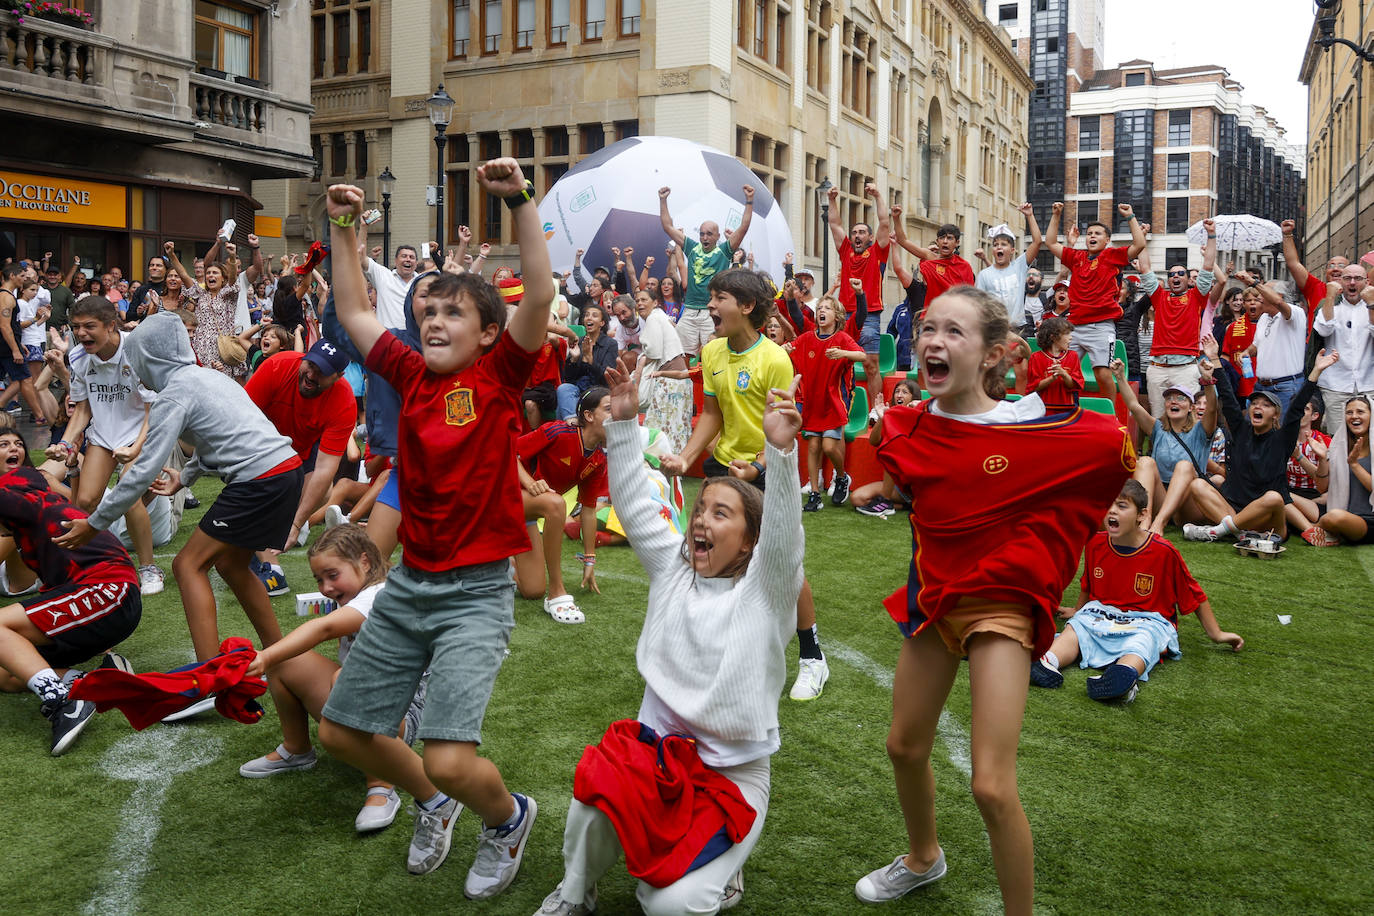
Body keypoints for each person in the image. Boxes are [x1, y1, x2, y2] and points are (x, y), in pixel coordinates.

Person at [860, 286, 1132, 912]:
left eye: (954, 331)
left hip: (1003, 607)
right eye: (929, 328)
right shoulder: (906, 426)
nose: (934, 341)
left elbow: (1121, 456)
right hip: (935, 599)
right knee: (903, 746)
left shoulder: (1041, 426)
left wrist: (1056, 541)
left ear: (993, 354)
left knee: (991, 785)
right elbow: (904, 483)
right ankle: (923, 858)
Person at [314, 161, 546, 896]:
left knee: (448, 756)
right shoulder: (411, 373)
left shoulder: (499, 377)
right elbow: (352, 310)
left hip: (475, 593)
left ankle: (507, 821)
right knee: (340, 732)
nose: (435, 321)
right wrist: (343, 225)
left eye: (453, 313)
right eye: (427, 311)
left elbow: (540, 293)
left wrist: (519, 199)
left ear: (487, 332)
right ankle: (434, 804)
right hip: (410, 585)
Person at [534, 352, 804, 916]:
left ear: (749, 542)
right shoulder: (674, 569)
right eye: (701, 509)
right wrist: (623, 424)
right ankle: (575, 891)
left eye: (722, 514)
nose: (701, 519)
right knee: (590, 806)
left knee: (668, 906)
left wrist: (781, 456)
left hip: (731, 777)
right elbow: (635, 505)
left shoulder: (765, 591)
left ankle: (720, 867)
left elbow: (783, 537)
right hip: (654, 755)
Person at [54, 311, 304, 695]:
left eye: (137, 361)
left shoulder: (174, 393)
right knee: (232, 565)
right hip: (286, 471)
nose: (136, 372)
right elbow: (219, 436)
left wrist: (95, 523)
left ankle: (209, 679)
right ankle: (281, 657)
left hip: (258, 480)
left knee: (188, 565)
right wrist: (184, 478)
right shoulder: (208, 377)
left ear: (149, 358)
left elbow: (141, 471)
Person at [659, 268, 831, 702]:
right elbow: (712, 414)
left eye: (720, 298)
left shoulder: (775, 359)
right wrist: (686, 457)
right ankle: (714, 653)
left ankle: (812, 657)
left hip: (767, 471)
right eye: (711, 297)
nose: (710, 305)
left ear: (748, 306)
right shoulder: (712, 351)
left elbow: (782, 428)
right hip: (723, 470)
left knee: (784, 565)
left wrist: (757, 467)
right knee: (710, 559)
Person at [240, 524, 422, 834]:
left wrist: (264, 657)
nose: (325, 588)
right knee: (286, 659)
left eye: (333, 575)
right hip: (365, 704)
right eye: (319, 579)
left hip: (404, 715)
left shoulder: (381, 594)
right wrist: (272, 657)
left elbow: (323, 628)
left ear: (365, 562)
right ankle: (297, 749)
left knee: (342, 677)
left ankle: (382, 784)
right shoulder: (360, 594)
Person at [1032, 480, 1243, 704]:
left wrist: (1217, 634)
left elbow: (1193, 594)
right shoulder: (1095, 543)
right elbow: (1089, 583)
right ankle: (1047, 661)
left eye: (1122, 506)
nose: (1112, 511)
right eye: (1108, 505)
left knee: (1144, 641)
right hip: (1100, 613)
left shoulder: (1163, 551)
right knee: (1076, 628)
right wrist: (1078, 609)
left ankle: (1123, 675)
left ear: (1141, 515)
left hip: (1147, 620)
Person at [0, 427, 141, 755]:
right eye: (3, 444)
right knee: (7, 673)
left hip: (109, 589)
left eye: (17, 443)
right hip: (99, 602)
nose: (13, 448)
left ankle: (62, 701)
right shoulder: (28, 522)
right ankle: (99, 681)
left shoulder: (20, 487)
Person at [45, 297, 163, 595]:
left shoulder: (136, 349)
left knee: (127, 495)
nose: (81, 333)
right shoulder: (78, 356)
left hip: (142, 432)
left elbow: (152, 411)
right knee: (84, 502)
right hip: (103, 435)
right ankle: (89, 565)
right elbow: (82, 409)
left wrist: (135, 448)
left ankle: (149, 569)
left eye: (89, 326)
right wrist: (64, 443)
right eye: (76, 327)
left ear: (111, 326)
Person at [1183, 349, 1339, 542]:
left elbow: (1297, 407)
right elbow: (1228, 397)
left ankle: (1216, 532)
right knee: (1198, 485)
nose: (1258, 406)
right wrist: (1215, 359)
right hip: (1234, 511)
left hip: (1268, 520)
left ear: (1275, 414)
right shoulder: (1240, 430)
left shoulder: (1282, 439)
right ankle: (1241, 534)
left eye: (1266, 405)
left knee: (1274, 497)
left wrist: (1316, 371)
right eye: (1254, 403)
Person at [243, 338, 357, 594]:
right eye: (311, 365)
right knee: (265, 492)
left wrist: (295, 526)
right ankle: (271, 567)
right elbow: (240, 418)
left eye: (322, 372)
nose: (311, 375)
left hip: (298, 455)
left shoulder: (344, 401)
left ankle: (265, 546)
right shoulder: (277, 367)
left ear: (338, 376)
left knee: (324, 492)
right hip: (257, 446)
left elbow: (326, 469)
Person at [514, 388, 610, 624]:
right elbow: (507, 452)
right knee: (556, 504)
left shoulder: (598, 459)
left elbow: (588, 509)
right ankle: (556, 592)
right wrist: (529, 482)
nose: (616, 416)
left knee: (533, 590)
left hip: (524, 512)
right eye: (609, 409)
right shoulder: (558, 431)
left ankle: (500, 560)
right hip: (500, 496)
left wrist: (589, 558)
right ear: (589, 416)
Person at [1043, 202, 1148, 405]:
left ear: (1107, 240)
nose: (1092, 236)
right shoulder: (1077, 257)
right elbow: (1051, 243)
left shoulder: (1112, 255)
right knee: (1062, 370)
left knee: (1101, 372)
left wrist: (1130, 216)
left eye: (1098, 233)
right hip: (1073, 327)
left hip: (1100, 326)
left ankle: (1109, 414)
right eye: (1089, 233)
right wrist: (1055, 215)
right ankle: (1064, 408)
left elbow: (1139, 245)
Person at [1115, 336, 1221, 534]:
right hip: (1161, 497)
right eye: (1169, 398)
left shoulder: (1200, 430)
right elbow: (1133, 406)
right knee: (1145, 461)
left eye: (1181, 398)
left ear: (1191, 407)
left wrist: (1207, 381)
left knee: (1184, 466)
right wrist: (1120, 377)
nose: (1174, 401)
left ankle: (1159, 524)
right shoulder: (1158, 428)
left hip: (1188, 504)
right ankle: (1145, 520)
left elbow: (1212, 409)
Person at [659, 184, 755, 356]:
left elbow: (743, 227)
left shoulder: (724, 251)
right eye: (702, 234)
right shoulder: (692, 248)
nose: (705, 237)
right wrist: (663, 200)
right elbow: (667, 227)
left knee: (712, 354)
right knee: (683, 355)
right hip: (689, 311)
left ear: (717, 236)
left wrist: (749, 201)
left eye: (709, 234)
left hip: (712, 311)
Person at [1137, 220, 1222, 410]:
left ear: (1188, 279)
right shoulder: (1159, 296)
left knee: (1187, 418)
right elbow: (1145, 268)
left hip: (1186, 369)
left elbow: (1208, 266)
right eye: (1171, 274)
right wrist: (1141, 238)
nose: (1175, 276)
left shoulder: (1196, 296)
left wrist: (1211, 235)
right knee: (1158, 417)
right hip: (1157, 368)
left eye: (1181, 273)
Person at [793, 286, 864, 512]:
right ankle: (815, 494)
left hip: (834, 402)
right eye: (819, 308)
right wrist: (783, 348)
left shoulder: (842, 338)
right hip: (813, 402)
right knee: (813, 446)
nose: (821, 311)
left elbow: (862, 355)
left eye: (827, 308)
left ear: (838, 316)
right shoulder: (806, 338)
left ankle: (841, 477)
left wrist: (843, 353)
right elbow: (790, 348)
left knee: (829, 446)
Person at [826, 184, 893, 417]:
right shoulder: (845, 251)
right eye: (854, 232)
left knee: (871, 365)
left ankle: (876, 410)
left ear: (870, 237)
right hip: (843, 317)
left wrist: (878, 195)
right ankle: (834, 407)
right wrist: (831, 199)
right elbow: (834, 224)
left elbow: (884, 223)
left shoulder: (878, 251)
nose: (856, 236)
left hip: (870, 317)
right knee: (834, 363)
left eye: (862, 232)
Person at [1302, 394, 1374, 546]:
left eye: (1360, 412)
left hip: (1368, 520)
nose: (1354, 416)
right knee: (1284, 498)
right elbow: (1322, 488)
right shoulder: (1338, 447)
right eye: (1349, 412)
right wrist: (1323, 458)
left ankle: (1313, 529)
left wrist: (1354, 464)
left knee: (1334, 517)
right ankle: (1326, 532)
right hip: (1342, 511)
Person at [1311, 265, 1374, 436]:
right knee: (1338, 437)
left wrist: (1371, 304)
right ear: (1340, 282)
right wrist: (1330, 296)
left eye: (1358, 278)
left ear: (1367, 282)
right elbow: (1324, 330)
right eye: (1347, 278)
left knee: (1370, 437)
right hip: (1336, 385)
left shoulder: (1371, 305)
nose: (1352, 283)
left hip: (1369, 383)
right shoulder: (1330, 305)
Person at [1237, 268, 1307, 415]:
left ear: (1278, 295)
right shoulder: (1263, 317)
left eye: (1262, 293)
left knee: (1282, 428)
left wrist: (1252, 282)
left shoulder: (1295, 313)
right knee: (1254, 426)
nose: (1258, 298)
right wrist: (1246, 352)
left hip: (1286, 387)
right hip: (1261, 386)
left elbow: (1278, 302)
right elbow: (1257, 345)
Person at [851, 379, 919, 517]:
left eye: (905, 392)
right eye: (897, 391)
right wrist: (883, 418)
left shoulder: (920, 418)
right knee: (857, 498)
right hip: (895, 486)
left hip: (915, 484)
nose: (899, 395)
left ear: (914, 398)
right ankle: (904, 505)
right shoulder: (891, 415)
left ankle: (889, 502)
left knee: (892, 451)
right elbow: (874, 441)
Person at [633, 289, 692, 450]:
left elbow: (653, 351)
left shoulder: (654, 318)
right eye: (637, 301)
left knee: (662, 430)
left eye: (644, 300)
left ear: (655, 302)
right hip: (678, 379)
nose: (640, 303)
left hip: (670, 381)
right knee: (676, 429)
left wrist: (640, 361)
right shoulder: (661, 316)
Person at [973, 205, 1044, 329]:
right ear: (993, 250)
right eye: (996, 245)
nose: (999, 247)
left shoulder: (1019, 266)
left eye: (1003, 244)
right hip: (994, 329)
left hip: (1018, 328)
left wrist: (1029, 215)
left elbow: (1037, 242)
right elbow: (978, 304)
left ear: (1012, 250)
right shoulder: (984, 274)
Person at [0, 263, 48, 425]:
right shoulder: (6, 297)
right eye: (22, 276)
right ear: (12, 276)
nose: (24, 279)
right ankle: (39, 416)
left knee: (22, 379)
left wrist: (19, 345)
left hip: (8, 344)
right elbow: (4, 326)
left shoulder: (7, 296)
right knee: (26, 379)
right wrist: (15, 349)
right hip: (6, 347)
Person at [556, 302, 618, 421]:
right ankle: (573, 423)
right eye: (587, 315)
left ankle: (571, 426)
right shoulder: (578, 342)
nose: (589, 318)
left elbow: (607, 378)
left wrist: (590, 360)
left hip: (599, 389)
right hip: (579, 389)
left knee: (561, 407)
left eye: (594, 315)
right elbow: (568, 378)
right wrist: (574, 359)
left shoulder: (610, 344)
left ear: (602, 323)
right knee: (564, 389)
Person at [1286, 395, 1330, 532]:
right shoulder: (1281, 439)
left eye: (1305, 408)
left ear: (1314, 416)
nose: (1299, 411)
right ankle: (1312, 529)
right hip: (1288, 492)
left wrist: (1299, 456)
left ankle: (1309, 529)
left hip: (1314, 497)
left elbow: (1326, 483)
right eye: (1296, 407)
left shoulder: (1324, 441)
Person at [1026, 316, 1083, 411]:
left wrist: (1063, 374)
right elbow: (1034, 387)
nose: (1071, 337)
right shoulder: (1035, 357)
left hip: (1068, 409)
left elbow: (1074, 386)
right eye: (1067, 334)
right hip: (1043, 409)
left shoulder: (1073, 356)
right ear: (1053, 337)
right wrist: (1052, 378)